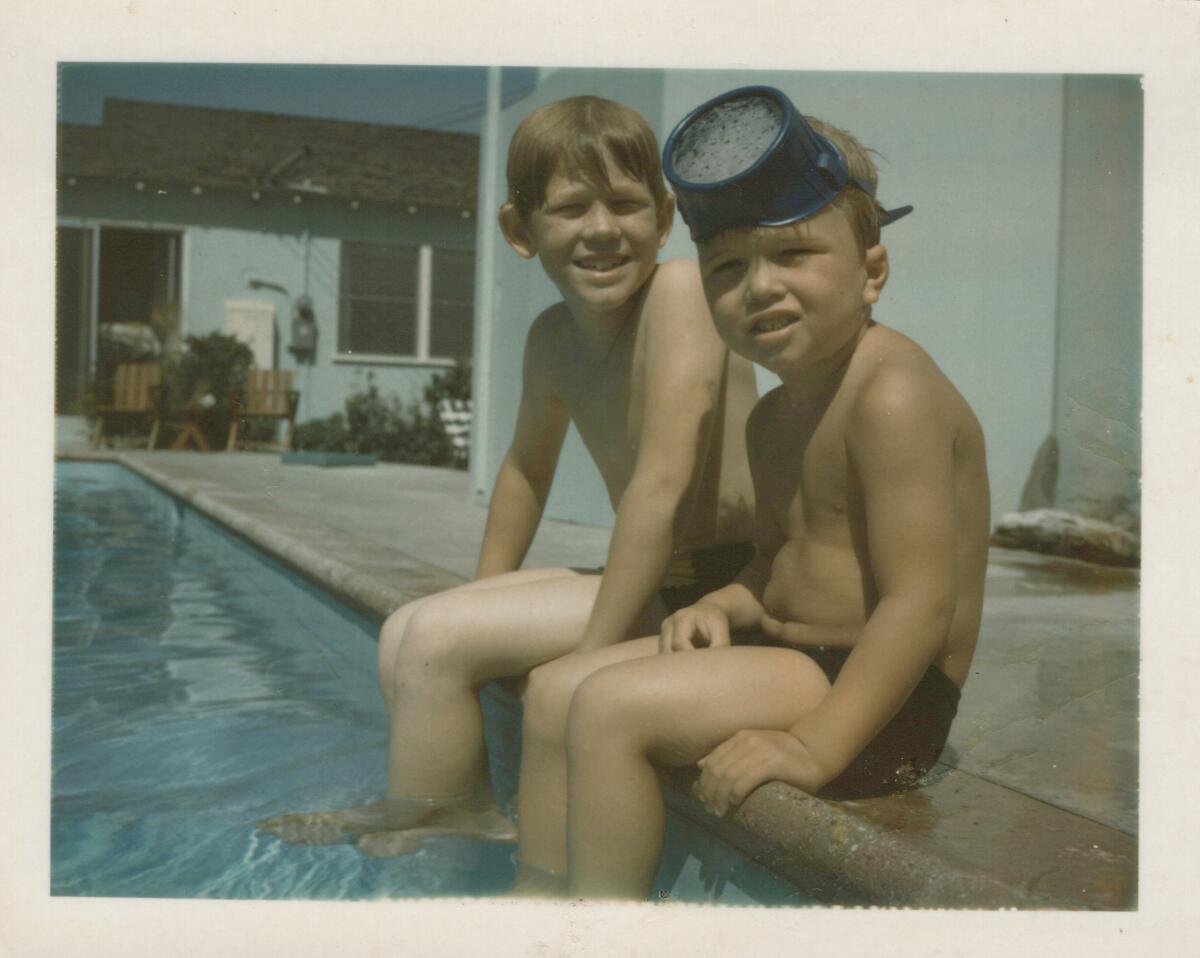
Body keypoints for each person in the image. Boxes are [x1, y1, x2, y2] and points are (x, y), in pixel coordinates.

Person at [256, 95, 758, 864]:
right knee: (408, 630)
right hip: (655, 574)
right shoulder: (551, 339)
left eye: (626, 205)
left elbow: (663, 482)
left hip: (717, 586)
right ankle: (441, 801)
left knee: (436, 640)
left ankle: (445, 811)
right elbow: (525, 471)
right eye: (569, 209)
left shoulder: (681, 296)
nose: (601, 229)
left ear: (663, 219)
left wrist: (591, 652)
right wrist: (480, 597)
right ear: (520, 231)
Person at [544, 86, 991, 900]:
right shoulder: (775, 416)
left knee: (608, 710)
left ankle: (597, 926)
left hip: (887, 703)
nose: (758, 287)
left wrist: (816, 747)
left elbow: (921, 604)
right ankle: (536, 893)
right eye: (727, 267)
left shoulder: (893, 394)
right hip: (800, 661)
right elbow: (785, 559)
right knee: (558, 689)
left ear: (872, 270)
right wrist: (731, 604)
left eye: (793, 256)